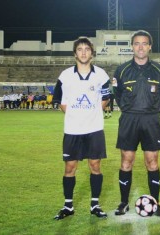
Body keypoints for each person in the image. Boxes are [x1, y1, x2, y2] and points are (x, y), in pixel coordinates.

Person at [53, 37, 110, 220]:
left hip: (94, 129)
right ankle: (68, 206)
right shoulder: (65, 76)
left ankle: (95, 204)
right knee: (70, 167)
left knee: (95, 165)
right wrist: (76, 116)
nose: (84, 52)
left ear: (92, 53)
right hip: (72, 130)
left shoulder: (101, 75)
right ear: (74, 53)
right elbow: (60, 102)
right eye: (80, 49)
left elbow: (105, 99)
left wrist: (91, 114)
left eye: (87, 49)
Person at [113, 30, 160, 217]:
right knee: (126, 161)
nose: (141, 47)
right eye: (137, 43)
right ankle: (123, 203)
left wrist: (151, 111)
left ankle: (156, 203)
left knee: (152, 162)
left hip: (151, 120)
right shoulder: (121, 70)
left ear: (150, 46)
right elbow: (117, 95)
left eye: (144, 43)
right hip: (129, 119)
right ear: (132, 46)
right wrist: (129, 109)